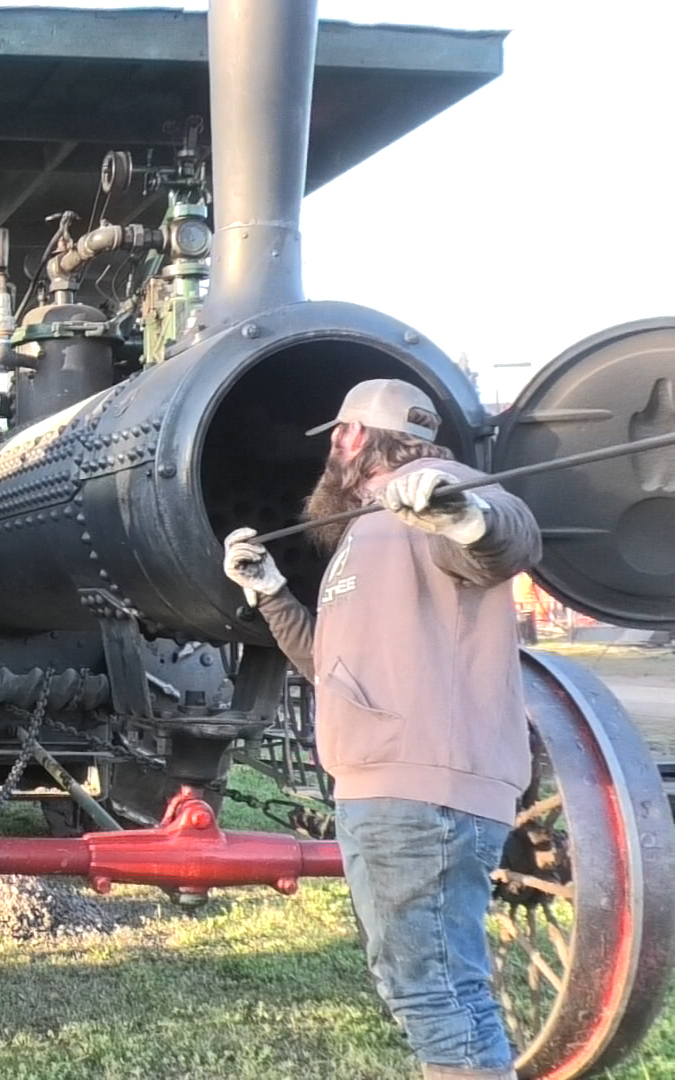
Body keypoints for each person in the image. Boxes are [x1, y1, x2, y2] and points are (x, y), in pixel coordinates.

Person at [221, 378, 542, 1080]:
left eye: (335, 438)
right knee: (435, 990)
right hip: (395, 786)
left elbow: (506, 540)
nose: (330, 454)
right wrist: (271, 592)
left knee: (432, 996)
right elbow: (331, 666)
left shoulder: (440, 493)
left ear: (353, 438)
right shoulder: (370, 531)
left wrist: (463, 517)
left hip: (417, 791)